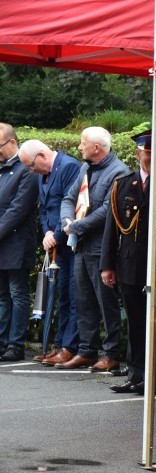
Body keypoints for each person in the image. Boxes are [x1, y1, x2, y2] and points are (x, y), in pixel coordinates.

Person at [101, 130, 156, 395]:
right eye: (148, 152)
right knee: (136, 322)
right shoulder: (123, 185)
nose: (154, 157)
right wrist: (107, 265)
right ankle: (135, 374)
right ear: (139, 154)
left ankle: (155, 377)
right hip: (130, 265)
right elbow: (112, 228)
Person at [57, 127, 130, 371]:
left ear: (96, 148)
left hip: (102, 248)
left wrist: (77, 226)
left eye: (83, 143)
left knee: (106, 303)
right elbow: (69, 199)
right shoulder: (85, 169)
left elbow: (108, 211)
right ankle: (87, 350)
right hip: (81, 246)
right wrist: (68, 222)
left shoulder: (119, 172)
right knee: (84, 301)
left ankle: (111, 354)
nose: (79, 147)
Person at [17, 140, 80, 365]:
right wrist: (46, 233)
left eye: (31, 166)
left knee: (73, 296)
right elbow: (44, 209)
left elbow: (70, 206)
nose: (30, 171)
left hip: (71, 243)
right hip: (55, 244)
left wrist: (57, 235)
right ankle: (61, 343)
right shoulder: (41, 173)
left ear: (42, 155)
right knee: (62, 296)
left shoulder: (69, 167)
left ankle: (71, 346)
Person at [0, 124, 39, 361]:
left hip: (16, 243)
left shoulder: (26, 169)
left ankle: (15, 344)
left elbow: (18, 210)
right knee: (2, 295)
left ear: (13, 143)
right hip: (3, 242)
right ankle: (2, 341)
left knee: (17, 293)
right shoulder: (2, 168)